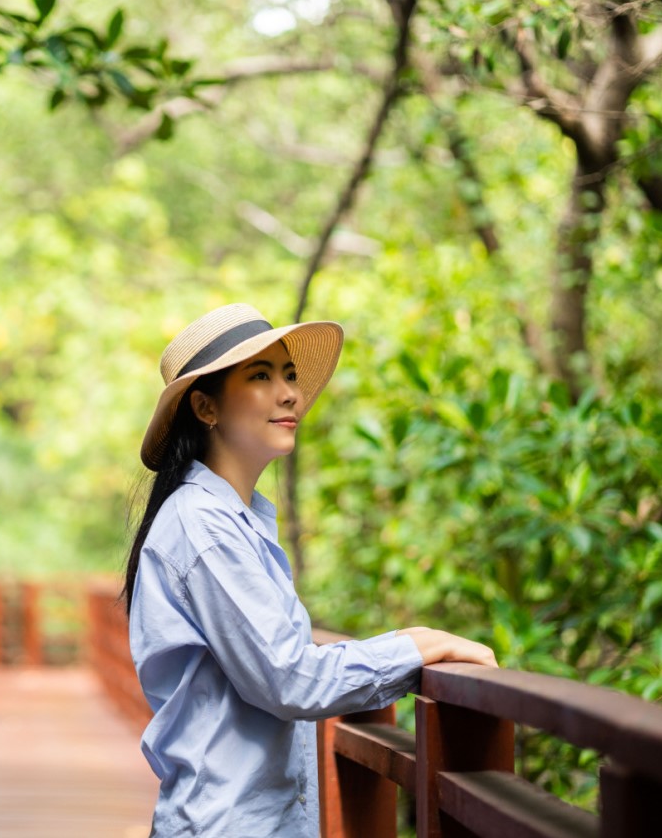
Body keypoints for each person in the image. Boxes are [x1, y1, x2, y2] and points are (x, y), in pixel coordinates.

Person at [124, 303, 497, 837]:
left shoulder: (235, 520)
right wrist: (413, 647)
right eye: (261, 376)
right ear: (206, 407)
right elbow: (289, 679)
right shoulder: (202, 526)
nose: (289, 394)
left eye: (290, 374)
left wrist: (407, 647)